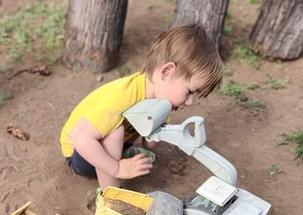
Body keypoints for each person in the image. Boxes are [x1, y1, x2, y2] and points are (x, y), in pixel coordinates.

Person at [59, 24, 223, 190]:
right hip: (81, 154)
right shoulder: (122, 96)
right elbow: (81, 140)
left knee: (118, 133)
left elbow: (148, 143)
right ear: (166, 72)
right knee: (115, 132)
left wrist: (155, 134)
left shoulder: (161, 102)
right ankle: (110, 196)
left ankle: (116, 157)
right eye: (189, 92)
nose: (190, 102)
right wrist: (117, 168)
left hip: (108, 147)